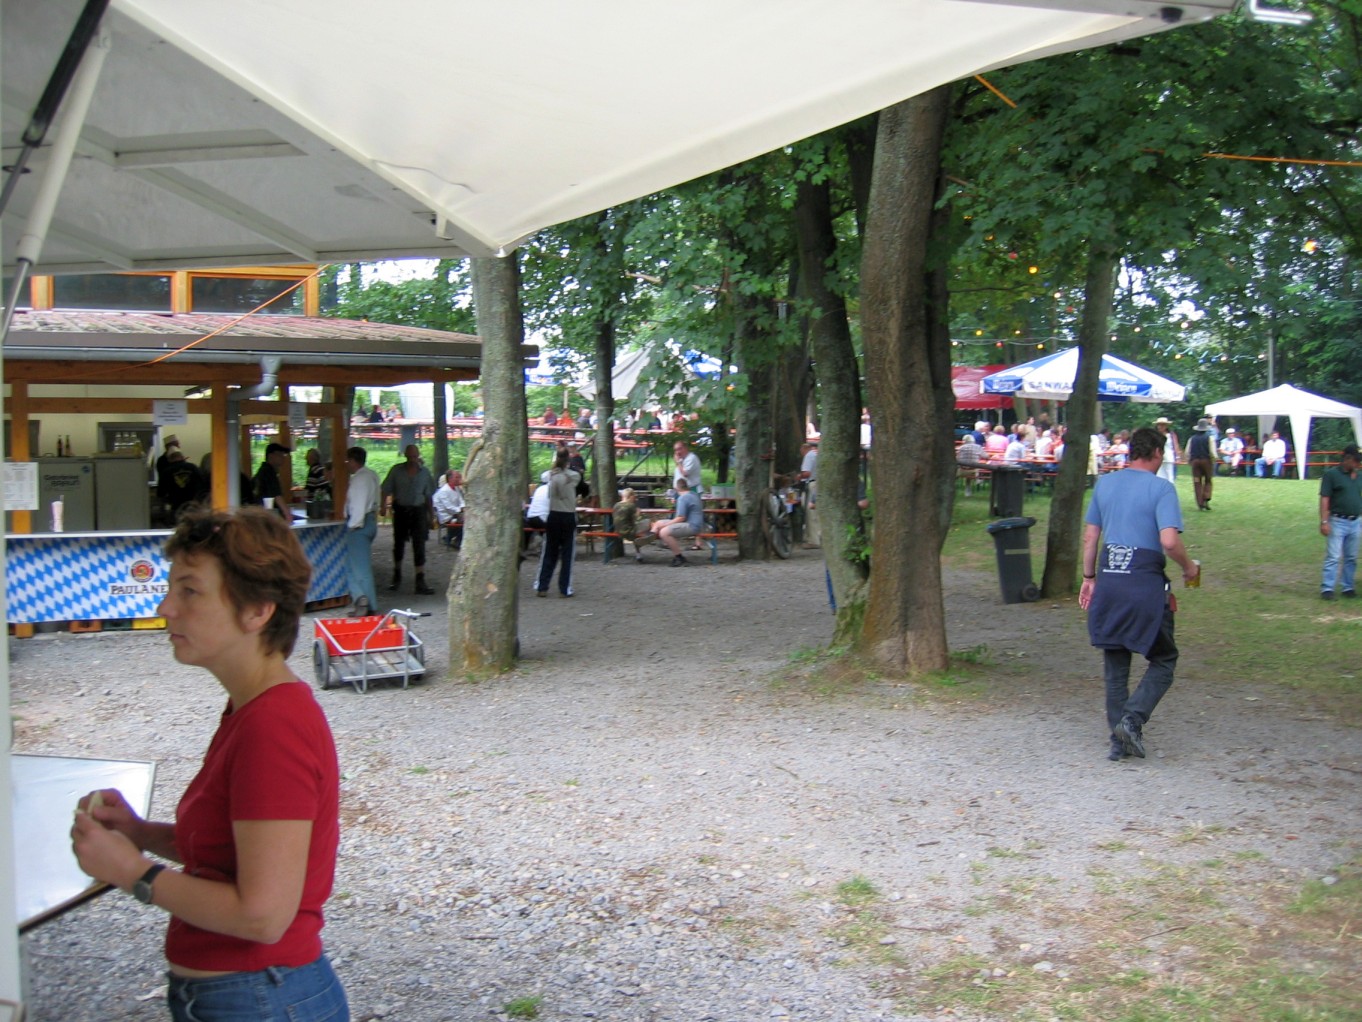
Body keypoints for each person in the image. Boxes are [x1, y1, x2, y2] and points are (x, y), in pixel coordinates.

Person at [70, 507, 348, 1022]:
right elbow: (236, 853)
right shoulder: (253, 708)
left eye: (190, 591)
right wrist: (139, 832)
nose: (166, 607)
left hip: (263, 997)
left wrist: (133, 872)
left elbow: (263, 916)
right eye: (170, 588)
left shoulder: (273, 726)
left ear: (257, 610)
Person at [1079, 426, 1200, 762]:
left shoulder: (1105, 484)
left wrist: (1089, 577)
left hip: (1110, 579)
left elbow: (1090, 538)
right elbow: (1169, 541)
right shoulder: (1161, 489)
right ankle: (1131, 720)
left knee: (1116, 664)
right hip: (1144, 584)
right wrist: (1189, 568)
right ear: (1158, 453)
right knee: (1164, 658)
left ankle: (1119, 742)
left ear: (1132, 451)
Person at [381, 444, 437, 595]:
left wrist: (431, 515)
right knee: (398, 543)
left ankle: (420, 580)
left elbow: (428, 496)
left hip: (418, 510)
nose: (412, 459)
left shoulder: (424, 473)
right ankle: (396, 575)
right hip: (401, 510)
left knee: (419, 544)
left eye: (415, 456)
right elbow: (385, 489)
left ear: (418, 456)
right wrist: (382, 506)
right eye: (410, 456)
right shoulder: (396, 471)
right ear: (405, 456)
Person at [534, 447, 580, 596]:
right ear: (568, 460)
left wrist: (556, 469)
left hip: (553, 515)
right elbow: (576, 477)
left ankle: (542, 586)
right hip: (568, 515)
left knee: (549, 552)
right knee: (567, 554)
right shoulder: (574, 476)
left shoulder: (550, 475)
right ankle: (564, 588)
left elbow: (545, 475)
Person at [1318, 444, 1362, 601]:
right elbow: (1325, 498)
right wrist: (1324, 521)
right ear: (1347, 459)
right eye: (1356, 461)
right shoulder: (1332, 475)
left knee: (1351, 557)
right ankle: (1327, 587)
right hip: (1338, 520)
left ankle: (1348, 586)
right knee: (1334, 556)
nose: (1358, 464)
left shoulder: (1359, 475)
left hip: (1355, 521)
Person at [343, 446, 380, 615]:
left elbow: (358, 504)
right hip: (371, 519)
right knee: (352, 565)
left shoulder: (359, 479)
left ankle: (369, 605)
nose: (347, 464)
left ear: (353, 461)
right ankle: (359, 598)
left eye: (348, 461)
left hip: (360, 523)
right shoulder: (372, 475)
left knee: (360, 567)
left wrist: (354, 524)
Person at [645, 477, 705, 567]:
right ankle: (650, 535)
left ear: (677, 488)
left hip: (692, 526)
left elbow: (680, 518)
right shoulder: (693, 494)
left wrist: (665, 525)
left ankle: (679, 557)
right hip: (695, 523)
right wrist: (664, 524)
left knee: (664, 532)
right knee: (658, 523)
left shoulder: (683, 498)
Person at [157, 449, 206, 521]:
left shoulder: (166, 472)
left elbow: (161, 493)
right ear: (182, 457)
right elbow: (203, 483)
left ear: (169, 460)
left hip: (176, 507)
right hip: (193, 505)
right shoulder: (193, 467)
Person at [252, 442, 293, 518]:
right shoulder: (268, 471)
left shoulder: (263, 470)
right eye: (280, 454)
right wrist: (288, 514)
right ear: (271, 456)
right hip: (265, 515)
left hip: (260, 513)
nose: (283, 457)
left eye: (283, 455)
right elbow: (277, 495)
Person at [1186, 418, 1215, 511]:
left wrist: (1189, 460)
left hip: (1195, 461)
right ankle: (1206, 498)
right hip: (1206, 460)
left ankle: (1200, 503)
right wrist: (1213, 459)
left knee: (1197, 481)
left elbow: (1187, 451)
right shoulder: (1209, 438)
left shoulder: (1192, 439)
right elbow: (1212, 451)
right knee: (1208, 480)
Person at [433, 469, 466, 549]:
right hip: (447, 516)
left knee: (467, 517)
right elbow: (448, 507)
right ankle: (457, 540)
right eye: (456, 477)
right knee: (466, 520)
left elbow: (461, 501)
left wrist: (463, 507)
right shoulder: (444, 491)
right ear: (450, 478)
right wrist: (460, 510)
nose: (459, 479)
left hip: (456, 513)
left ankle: (451, 538)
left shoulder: (456, 488)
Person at [798, 441, 820, 549]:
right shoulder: (815, 455)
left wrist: (798, 476)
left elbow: (806, 473)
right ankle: (814, 536)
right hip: (817, 483)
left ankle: (813, 540)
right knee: (815, 513)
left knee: (810, 512)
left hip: (812, 483)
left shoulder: (808, 456)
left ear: (804, 449)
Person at [612, 487, 642, 561]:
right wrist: (638, 513)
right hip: (629, 531)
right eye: (634, 496)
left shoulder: (616, 505)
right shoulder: (631, 506)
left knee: (635, 528)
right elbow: (636, 519)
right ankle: (639, 551)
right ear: (630, 496)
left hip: (617, 530)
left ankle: (638, 553)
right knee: (647, 522)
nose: (635, 498)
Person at [523, 481, 550, 553]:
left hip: (531, 518)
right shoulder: (553, 490)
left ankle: (525, 548)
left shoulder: (539, 489)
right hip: (541, 520)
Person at [1153, 417, 1180, 483]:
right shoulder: (1155, 435)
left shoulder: (1171, 435)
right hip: (1158, 458)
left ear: (1166, 426)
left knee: (1170, 477)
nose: (1161, 426)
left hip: (1169, 458)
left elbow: (1175, 445)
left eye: (1163, 425)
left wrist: (1177, 457)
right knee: (1159, 476)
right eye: (1159, 425)